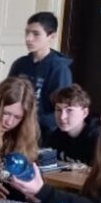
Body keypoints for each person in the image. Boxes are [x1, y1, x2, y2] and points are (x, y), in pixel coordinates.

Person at [7, 12, 72, 140]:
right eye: (27, 33)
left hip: (43, 135)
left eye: (36, 34)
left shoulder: (59, 69)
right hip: (15, 129)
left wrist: (33, 122)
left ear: (51, 36)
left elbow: (62, 110)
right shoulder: (20, 64)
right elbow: (7, 96)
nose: (28, 38)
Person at [44, 84, 100, 165]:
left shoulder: (97, 140)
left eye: (69, 110)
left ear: (84, 113)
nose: (62, 117)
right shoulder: (55, 137)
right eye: (58, 110)